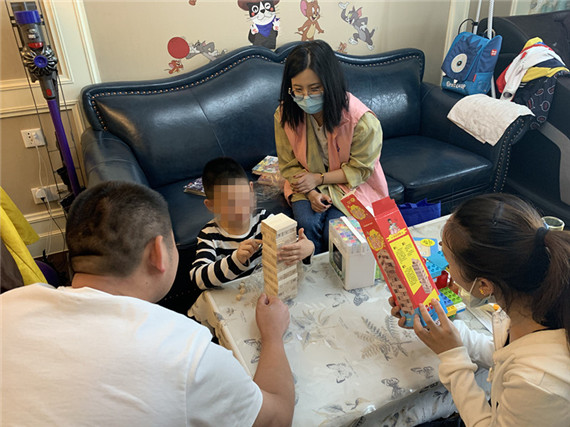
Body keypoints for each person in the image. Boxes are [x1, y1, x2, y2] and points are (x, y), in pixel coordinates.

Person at [1, 181, 295, 426]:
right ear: (158, 252)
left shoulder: (10, 304)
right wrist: (272, 336)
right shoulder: (187, 354)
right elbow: (277, 418)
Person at [390, 193, 570, 427]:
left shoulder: (535, 381)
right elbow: (503, 353)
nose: (446, 267)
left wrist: (453, 358)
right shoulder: (532, 302)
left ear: (484, 285)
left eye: (447, 260)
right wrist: (446, 333)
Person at [274, 40, 389, 254]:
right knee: (306, 225)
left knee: (336, 234)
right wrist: (311, 192)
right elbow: (289, 164)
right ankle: (312, 271)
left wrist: (319, 179)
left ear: (330, 84)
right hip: (304, 183)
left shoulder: (361, 121)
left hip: (351, 186)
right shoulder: (285, 115)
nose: (305, 97)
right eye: (298, 90)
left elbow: (360, 170)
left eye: (314, 89)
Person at [190, 157, 314, 290]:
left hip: (266, 291)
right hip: (233, 297)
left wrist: (307, 248)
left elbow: (292, 248)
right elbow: (198, 278)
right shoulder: (209, 235)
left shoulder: (265, 219)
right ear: (211, 205)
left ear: (251, 190)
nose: (240, 209)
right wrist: (236, 259)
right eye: (229, 204)